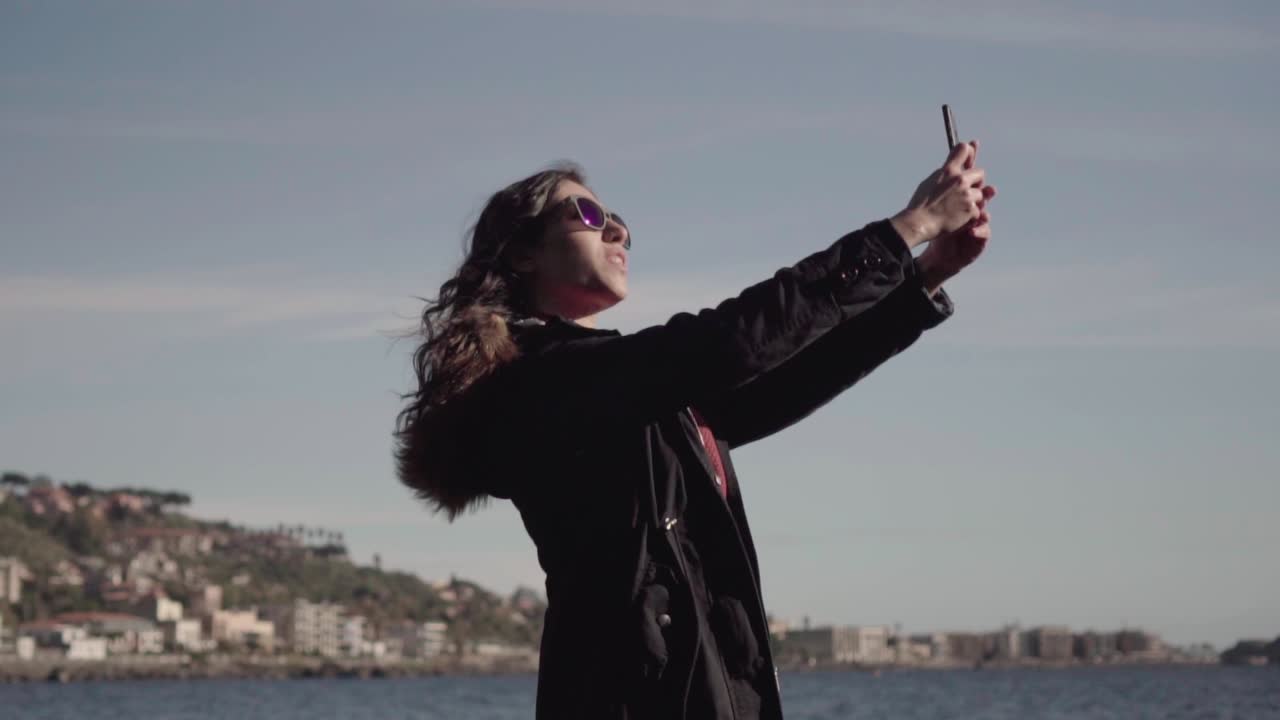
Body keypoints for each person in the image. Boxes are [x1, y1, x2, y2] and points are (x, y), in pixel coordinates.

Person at [395, 142, 996, 719]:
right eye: (587, 214)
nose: (617, 232)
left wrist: (925, 277)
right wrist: (908, 228)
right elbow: (731, 343)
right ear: (523, 251)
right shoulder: (545, 379)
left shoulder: (623, 389)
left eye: (622, 222)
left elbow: (773, 382)